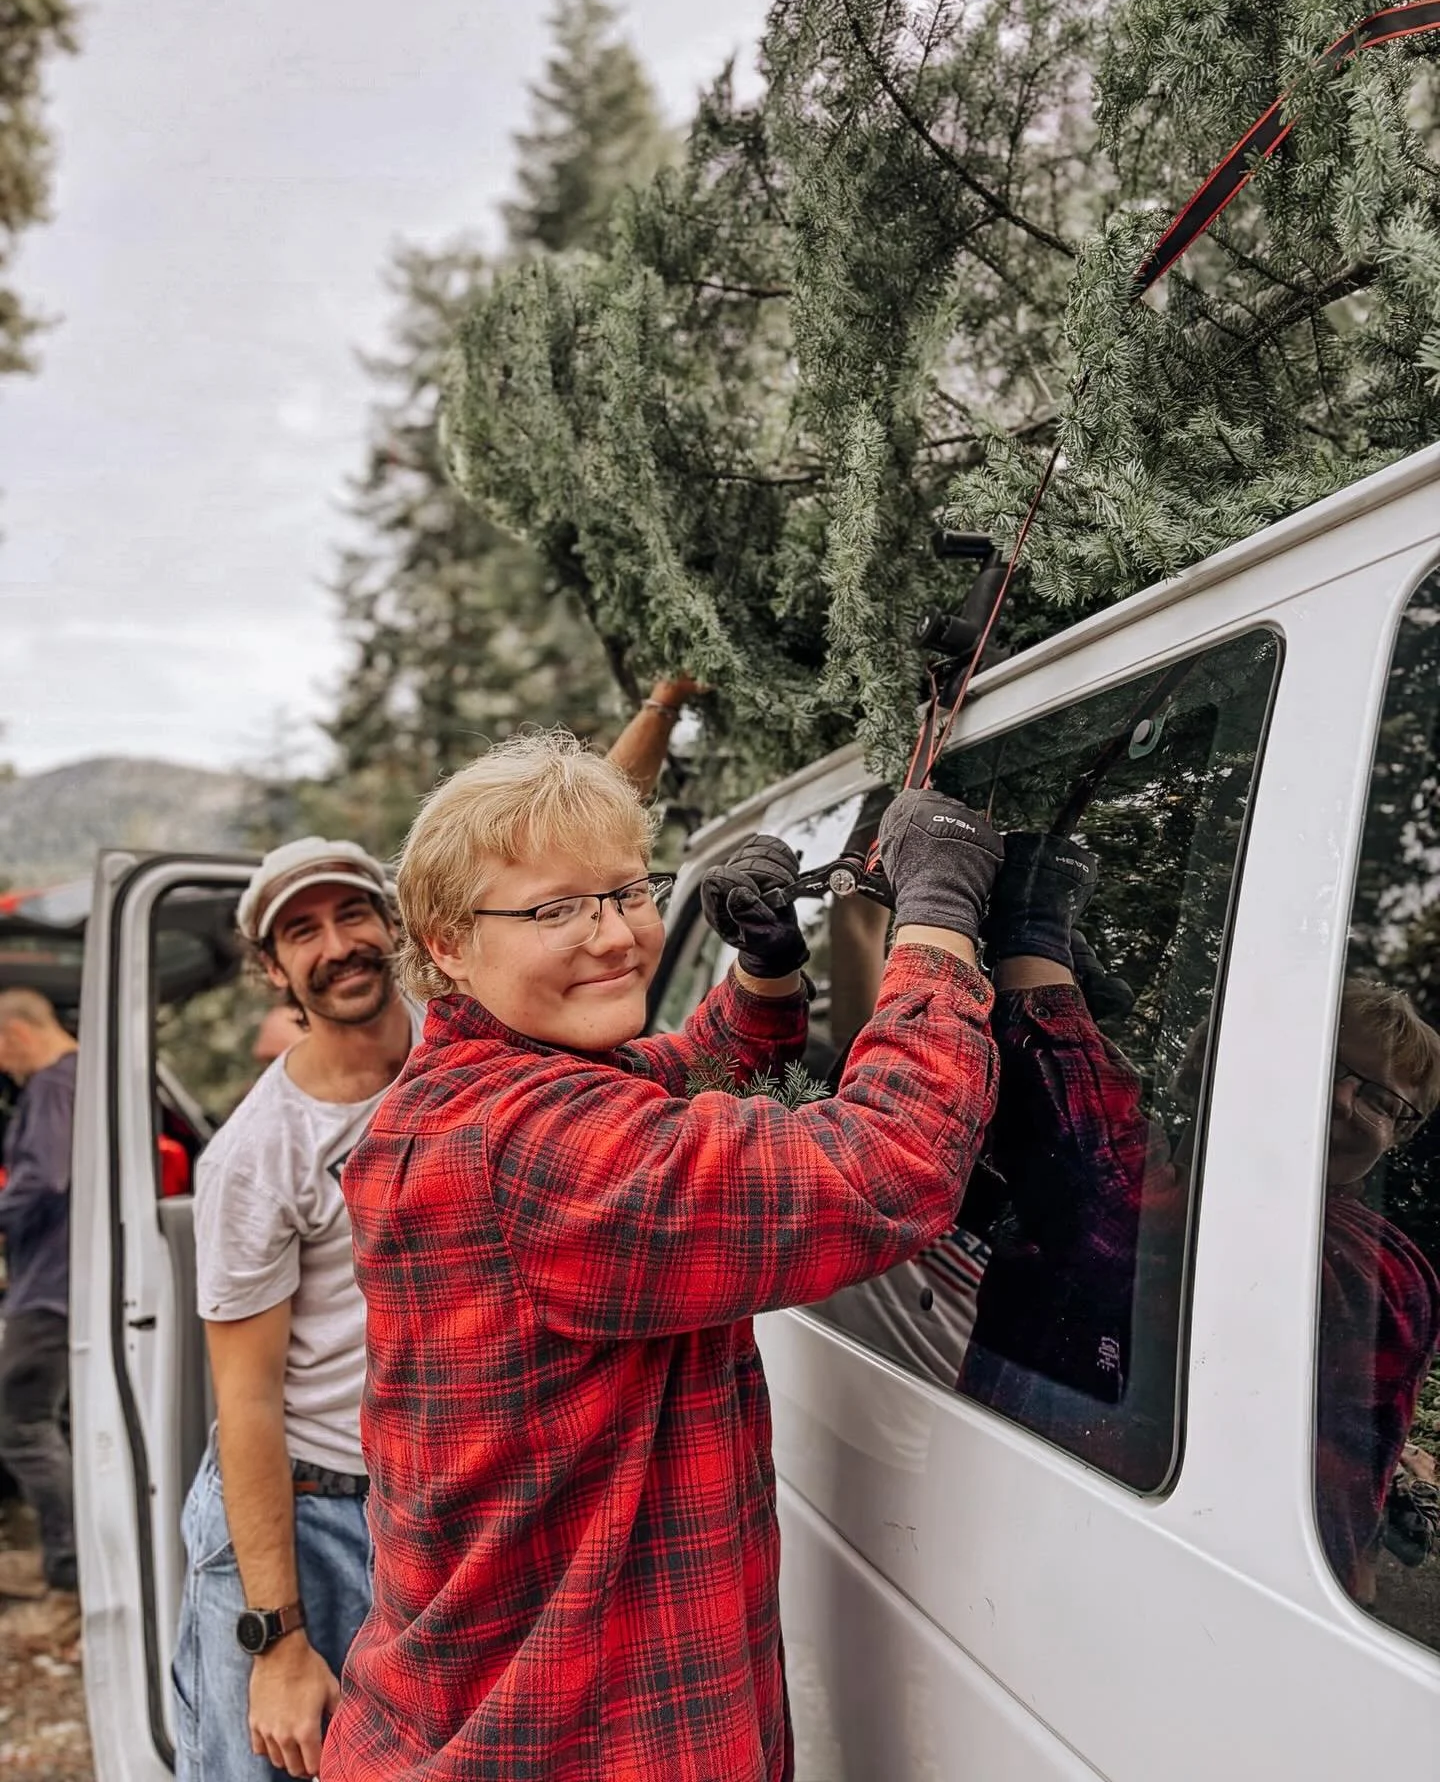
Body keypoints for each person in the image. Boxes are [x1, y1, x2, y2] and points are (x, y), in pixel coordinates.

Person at [320, 729, 1005, 1782]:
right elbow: (890, 1164)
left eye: (629, 892)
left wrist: (768, 973)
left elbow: (665, 1079)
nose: (616, 937)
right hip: (567, 1746)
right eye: (558, 908)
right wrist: (940, 928)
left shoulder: (483, 1092)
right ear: (448, 941)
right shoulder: (529, 1151)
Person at [173, 683, 696, 1782]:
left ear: (413, 936)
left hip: (438, 1496)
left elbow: (555, 876)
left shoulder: (487, 1050)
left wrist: (659, 706)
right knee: (259, 1754)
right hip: (305, 1505)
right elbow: (247, 1403)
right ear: (275, 972)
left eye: (351, 914)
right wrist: (276, 1635)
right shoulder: (255, 1157)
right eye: (300, 932)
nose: (337, 946)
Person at [954, 833, 1440, 1597]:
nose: (1340, 1101)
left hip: (1199, 1602)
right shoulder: (1184, 1176)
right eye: (1321, 1061)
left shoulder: (1378, 1269)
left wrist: (1033, 946)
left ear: (1398, 1138)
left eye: (1381, 1099)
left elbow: (1112, 1219)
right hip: (1001, 1525)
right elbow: (1037, 1200)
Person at [0, 989, 80, 1637]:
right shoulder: (90, 1077)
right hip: (71, 1281)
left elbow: (45, 1174)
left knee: (21, 1425)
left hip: (48, 1288)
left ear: (19, 1033)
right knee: (53, 1423)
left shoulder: (53, 1086)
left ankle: (69, 1571)